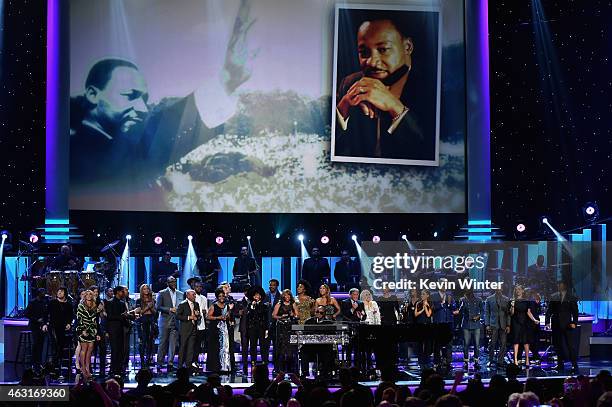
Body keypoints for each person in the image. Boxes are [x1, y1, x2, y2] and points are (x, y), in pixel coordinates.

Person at [69, 1, 255, 187]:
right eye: (130, 95)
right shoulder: (75, 151)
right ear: (93, 94)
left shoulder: (115, 145)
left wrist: (228, 81)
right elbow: (160, 138)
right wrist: (227, 80)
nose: (142, 109)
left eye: (144, 99)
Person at [334, 17, 436, 161]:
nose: (371, 61)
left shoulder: (432, 87)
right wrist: (343, 108)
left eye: (383, 50)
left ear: (407, 47)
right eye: (364, 52)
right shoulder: (350, 84)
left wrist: (394, 106)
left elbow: (431, 153)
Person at [545, 281, 579, 372]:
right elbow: (549, 310)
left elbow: (575, 312)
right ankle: (560, 364)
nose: (559, 286)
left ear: (565, 286)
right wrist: (547, 322)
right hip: (556, 324)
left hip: (568, 324)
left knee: (570, 345)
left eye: (561, 284)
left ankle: (574, 365)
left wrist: (574, 323)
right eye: (558, 284)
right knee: (558, 345)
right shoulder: (553, 296)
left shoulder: (571, 297)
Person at [156, 276, 184, 372]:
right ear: (167, 283)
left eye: (175, 281)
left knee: (173, 343)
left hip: (176, 321)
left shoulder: (180, 294)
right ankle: (160, 362)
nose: (173, 283)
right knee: (162, 342)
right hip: (164, 321)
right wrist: (169, 309)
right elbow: (158, 307)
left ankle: (170, 363)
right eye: (171, 282)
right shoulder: (162, 293)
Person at [301, 305, 335, 378]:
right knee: (303, 351)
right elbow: (305, 334)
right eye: (317, 312)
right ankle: (305, 373)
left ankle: (325, 374)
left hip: (324, 347)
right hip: (311, 347)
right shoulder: (308, 321)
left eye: (321, 312)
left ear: (324, 313)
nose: (318, 314)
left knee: (329, 351)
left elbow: (332, 336)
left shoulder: (329, 323)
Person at [510, 285, 538, 368]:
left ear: (522, 291)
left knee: (526, 342)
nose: (517, 291)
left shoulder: (527, 301)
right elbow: (511, 314)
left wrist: (534, 320)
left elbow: (528, 312)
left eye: (519, 289)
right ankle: (515, 360)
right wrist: (512, 306)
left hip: (525, 322)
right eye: (516, 290)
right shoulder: (512, 300)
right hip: (515, 322)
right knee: (516, 341)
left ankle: (527, 359)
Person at [48, 286, 74, 378]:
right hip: (53, 327)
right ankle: (54, 367)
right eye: (58, 291)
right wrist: (45, 324)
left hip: (63, 328)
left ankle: (57, 366)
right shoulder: (52, 303)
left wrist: (69, 323)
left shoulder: (69, 304)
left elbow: (71, 316)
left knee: (61, 347)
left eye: (61, 292)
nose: (59, 293)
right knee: (55, 346)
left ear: (65, 293)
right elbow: (47, 313)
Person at [105, 285, 130, 376]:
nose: (124, 293)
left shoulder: (122, 303)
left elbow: (123, 317)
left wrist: (128, 317)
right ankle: (113, 369)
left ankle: (119, 369)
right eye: (122, 291)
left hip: (120, 329)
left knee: (120, 350)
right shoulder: (109, 302)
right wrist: (122, 316)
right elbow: (110, 317)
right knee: (114, 350)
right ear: (118, 292)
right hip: (113, 329)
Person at [272, 289, 299, 373]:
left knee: (291, 348)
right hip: (281, 328)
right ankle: (280, 369)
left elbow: (297, 315)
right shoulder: (279, 304)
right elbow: (274, 315)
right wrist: (281, 317)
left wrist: (293, 315)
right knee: (282, 348)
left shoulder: (293, 304)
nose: (287, 297)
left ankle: (291, 369)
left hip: (291, 327)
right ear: (283, 296)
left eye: (289, 295)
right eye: (285, 295)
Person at [457, 288, 483, 370]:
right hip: (466, 325)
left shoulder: (479, 299)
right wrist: (462, 305)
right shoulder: (463, 300)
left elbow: (483, 311)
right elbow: (460, 312)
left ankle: (476, 361)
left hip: (476, 325)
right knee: (466, 344)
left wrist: (478, 316)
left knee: (477, 344)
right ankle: (466, 361)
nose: (469, 292)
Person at [207, 287, 232, 373]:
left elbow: (228, 317)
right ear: (217, 297)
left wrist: (228, 315)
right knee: (215, 348)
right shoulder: (213, 306)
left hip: (224, 329)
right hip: (215, 330)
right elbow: (208, 316)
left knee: (224, 347)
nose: (221, 297)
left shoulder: (226, 306)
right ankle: (215, 367)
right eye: (220, 296)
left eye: (223, 296)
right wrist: (218, 317)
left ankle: (224, 366)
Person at [430, 282, 455, 368]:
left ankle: (448, 361)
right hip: (438, 323)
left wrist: (448, 303)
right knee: (437, 344)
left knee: (449, 344)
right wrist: (441, 303)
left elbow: (453, 307)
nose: (444, 287)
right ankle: (437, 361)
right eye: (443, 285)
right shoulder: (433, 296)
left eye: (445, 285)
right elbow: (432, 308)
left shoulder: (449, 295)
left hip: (448, 323)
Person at [24, 288, 49, 370]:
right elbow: (27, 314)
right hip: (34, 325)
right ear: (38, 293)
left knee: (41, 344)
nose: (44, 294)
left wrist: (45, 322)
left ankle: (39, 362)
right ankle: (34, 362)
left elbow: (46, 314)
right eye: (42, 292)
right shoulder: (33, 302)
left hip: (43, 326)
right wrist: (36, 319)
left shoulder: (45, 302)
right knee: (35, 344)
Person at [341, 288, 366, 368]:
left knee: (357, 348)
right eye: (354, 294)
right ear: (350, 295)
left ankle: (357, 366)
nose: (356, 296)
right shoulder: (344, 302)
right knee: (348, 347)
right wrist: (353, 309)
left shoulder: (361, 303)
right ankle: (348, 366)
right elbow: (344, 315)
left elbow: (364, 316)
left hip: (357, 328)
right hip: (348, 328)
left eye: (357, 294)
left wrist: (362, 316)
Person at [485, 288, 510, 367]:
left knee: (503, 343)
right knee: (492, 343)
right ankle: (491, 360)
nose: (498, 289)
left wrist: (508, 325)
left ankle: (500, 360)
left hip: (503, 325)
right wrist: (487, 324)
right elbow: (487, 312)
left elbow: (508, 314)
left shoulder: (506, 299)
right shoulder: (489, 299)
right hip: (493, 325)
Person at [246, 286, 270, 369]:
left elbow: (266, 318)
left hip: (262, 328)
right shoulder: (250, 306)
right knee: (253, 345)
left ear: (260, 296)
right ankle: (253, 362)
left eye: (258, 295)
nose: (256, 297)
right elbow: (249, 317)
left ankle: (264, 362)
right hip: (252, 328)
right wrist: (252, 307)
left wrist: (267, 329)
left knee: (263, 345)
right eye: (255, 295)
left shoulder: (264, 306)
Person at [76, 289, 98, 379]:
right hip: (83, 329)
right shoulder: (81, 306)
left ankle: (88, 369)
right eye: (87, 294)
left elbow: (95, 320)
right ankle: (83, 370)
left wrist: (96, 332)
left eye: (90, 294)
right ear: (84, 296)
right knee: (84, 350)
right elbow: (79, 318)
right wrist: (82, 330)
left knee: (90, 351)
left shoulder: (94, 306)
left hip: (92, 330)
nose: (89, 295)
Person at [177, 289, 201, 370]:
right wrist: (189, 317)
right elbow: (178, 316)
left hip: (193, 329)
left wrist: (198, 315)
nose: (195, 296)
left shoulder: (196, 304)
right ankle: (180, 366)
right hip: (184, 329)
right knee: (182, 347)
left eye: (195, 295)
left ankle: (188, 365)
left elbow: (199, 316)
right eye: (193, 295)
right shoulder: (182, 304)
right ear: (188, 296)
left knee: (191, 348)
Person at [135, 284, 157, 368]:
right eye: (144, 289)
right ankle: (142, 360)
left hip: (151, 320)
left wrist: (151, 307)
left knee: (150, 341)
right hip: (143, 321)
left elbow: (155, 312)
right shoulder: (139, 300)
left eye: (147, 288)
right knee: (143, 341)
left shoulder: (153, 300)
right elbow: (140, 312)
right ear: (142, 290)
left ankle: (149, 359)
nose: (146, 290)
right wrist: (148, 306)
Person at [414, 289, 433, 370]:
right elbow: (415, 314)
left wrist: (425, 306)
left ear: (427, 295)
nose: (422, 295)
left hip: (427, 326)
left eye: (423, 294)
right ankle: (420, 362)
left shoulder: (430, 304)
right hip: (419, 326)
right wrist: (422, 309)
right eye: (421, 294)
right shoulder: (418, 303)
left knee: (427, 344)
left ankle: (427, 362)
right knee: (420, 344)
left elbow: (429, 315)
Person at [192, 279, 208, 369]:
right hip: (193, 324)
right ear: (194, 287)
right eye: (197, 286)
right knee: (192, 344)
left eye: (200, 287)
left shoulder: (204, 298)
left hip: (202, 324)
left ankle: (196, 361)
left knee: (198, 344)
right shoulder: (191, 297)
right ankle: (191, 361)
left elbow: (206, 310)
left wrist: (205, 313)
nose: (199, 288)